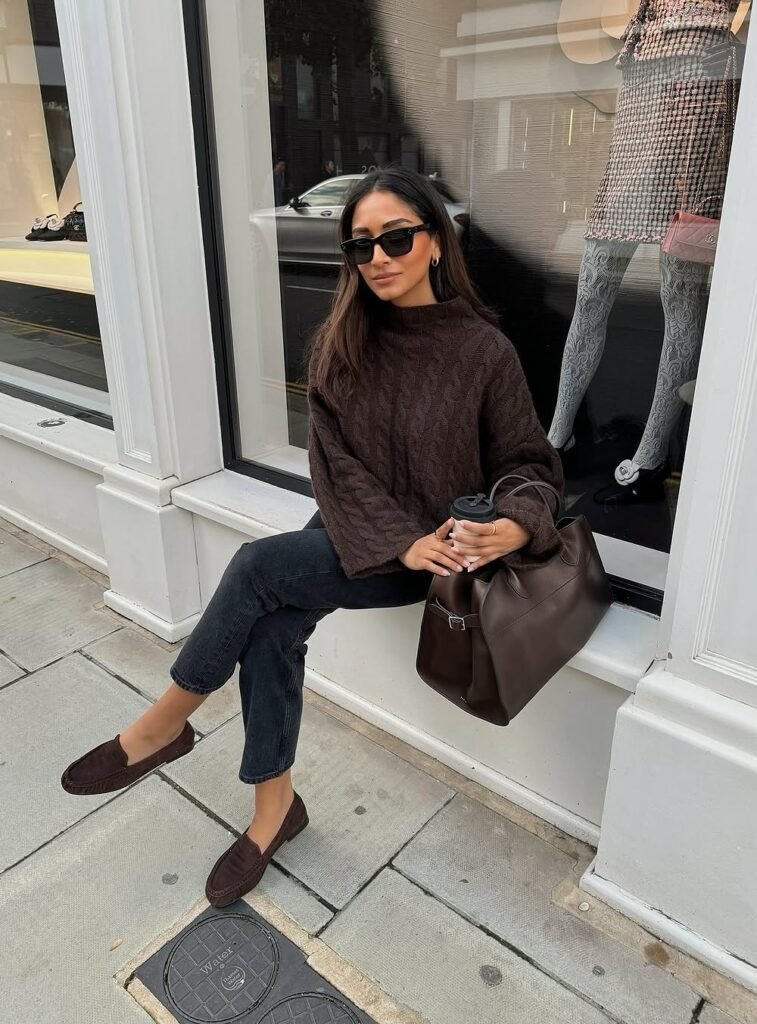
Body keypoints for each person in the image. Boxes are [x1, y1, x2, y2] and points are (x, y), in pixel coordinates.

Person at [60, 167, 563, 907]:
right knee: (271, 628)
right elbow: (334, 463)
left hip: (431, 559)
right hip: (363, 531)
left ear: (434, 242)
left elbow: (528, 462)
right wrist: (395, 536)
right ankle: (273, 814)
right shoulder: (342, 339)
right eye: (361, 246)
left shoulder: (482, 351)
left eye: (396, 238)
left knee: (257, 568)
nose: (379, 257)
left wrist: (511, 523)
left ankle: (162, 726)